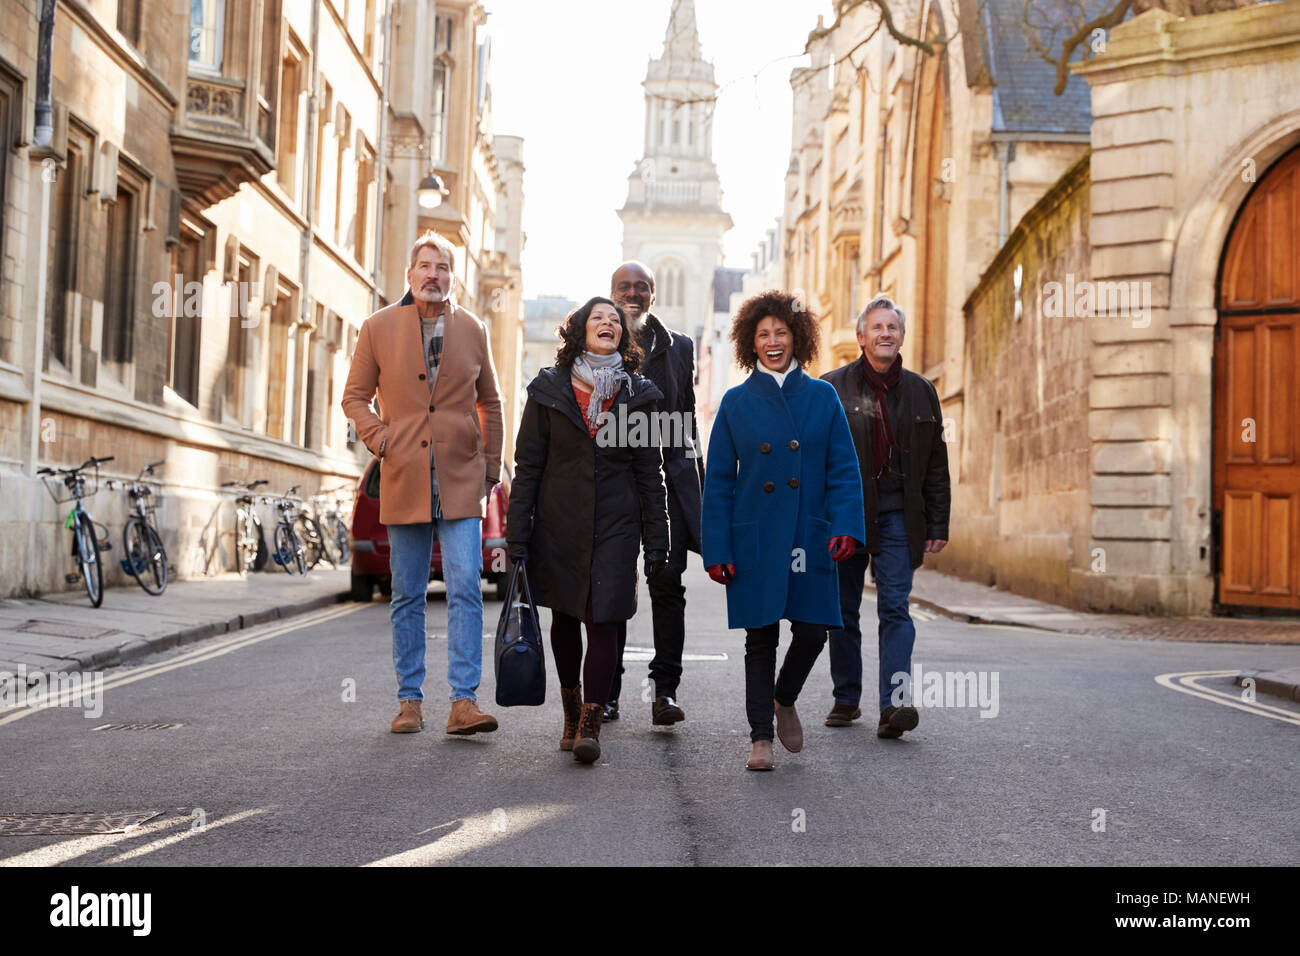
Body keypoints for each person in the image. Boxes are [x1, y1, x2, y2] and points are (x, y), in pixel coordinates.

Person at [341, 230, 504, 737]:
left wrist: (491, 471)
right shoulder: (377, 327)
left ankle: (463, 702)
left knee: (465, 590)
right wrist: (382, 439)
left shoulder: (474, 328)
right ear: (410, 274)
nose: (433, 275)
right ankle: (409, 701)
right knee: (407, 592)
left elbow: (492, 403)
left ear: (453, 277)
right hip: (405, 475)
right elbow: (354, 397)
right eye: (425, 266)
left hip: (460, 479)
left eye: (443, 268)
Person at [701, 291, 865, 771]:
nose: (773, 342)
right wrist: (717, 548)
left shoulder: (822, 397)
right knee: (760, 636)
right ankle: (760, 739)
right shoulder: (735, 403)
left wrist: (846, 525)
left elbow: (843, 469)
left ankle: (783, 697)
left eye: (781, 332)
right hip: (756, 535)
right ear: (750, 343)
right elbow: (719, 484)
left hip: (808, 533)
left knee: (815, 630)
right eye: (763, 334)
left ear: (798, 338)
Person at [506, 297, 670, 765]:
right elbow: (528, 466)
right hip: (559, 524)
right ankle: (571, 706)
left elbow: (649, 474)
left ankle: (591, 722)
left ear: (623, 335)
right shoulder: (546, 390)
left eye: (615, 320)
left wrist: (657, 539)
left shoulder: (640, 395)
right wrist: (518, 533)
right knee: (565, 618)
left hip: (617, 526)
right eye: (597, 317)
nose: (607, 323)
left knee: (606, 619)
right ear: (578, 330)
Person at [821, 294, 950, 739]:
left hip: (899, 514)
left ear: (901, 336)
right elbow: (815, 460)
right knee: (842, 609)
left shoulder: (922, 391)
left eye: (892, 328)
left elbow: (936, 463)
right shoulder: (831, 388)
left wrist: (937, 524)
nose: (884, 334)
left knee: (896, 607)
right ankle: (846, 697)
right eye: (876, 328)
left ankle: (893, 706)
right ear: (860, 337)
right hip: (847, 514)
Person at [606, 260, 705, 726]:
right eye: (624, 286)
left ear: (652, 294)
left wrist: (696, 487)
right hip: (615, 489)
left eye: (641, 287)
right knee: (614, 591)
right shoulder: (598, 338)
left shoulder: (679, 347)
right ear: (611, 292)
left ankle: (664, 691)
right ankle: (606, 694)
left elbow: (686, 422)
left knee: (667, 588)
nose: (633, 293)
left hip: (665, 486)